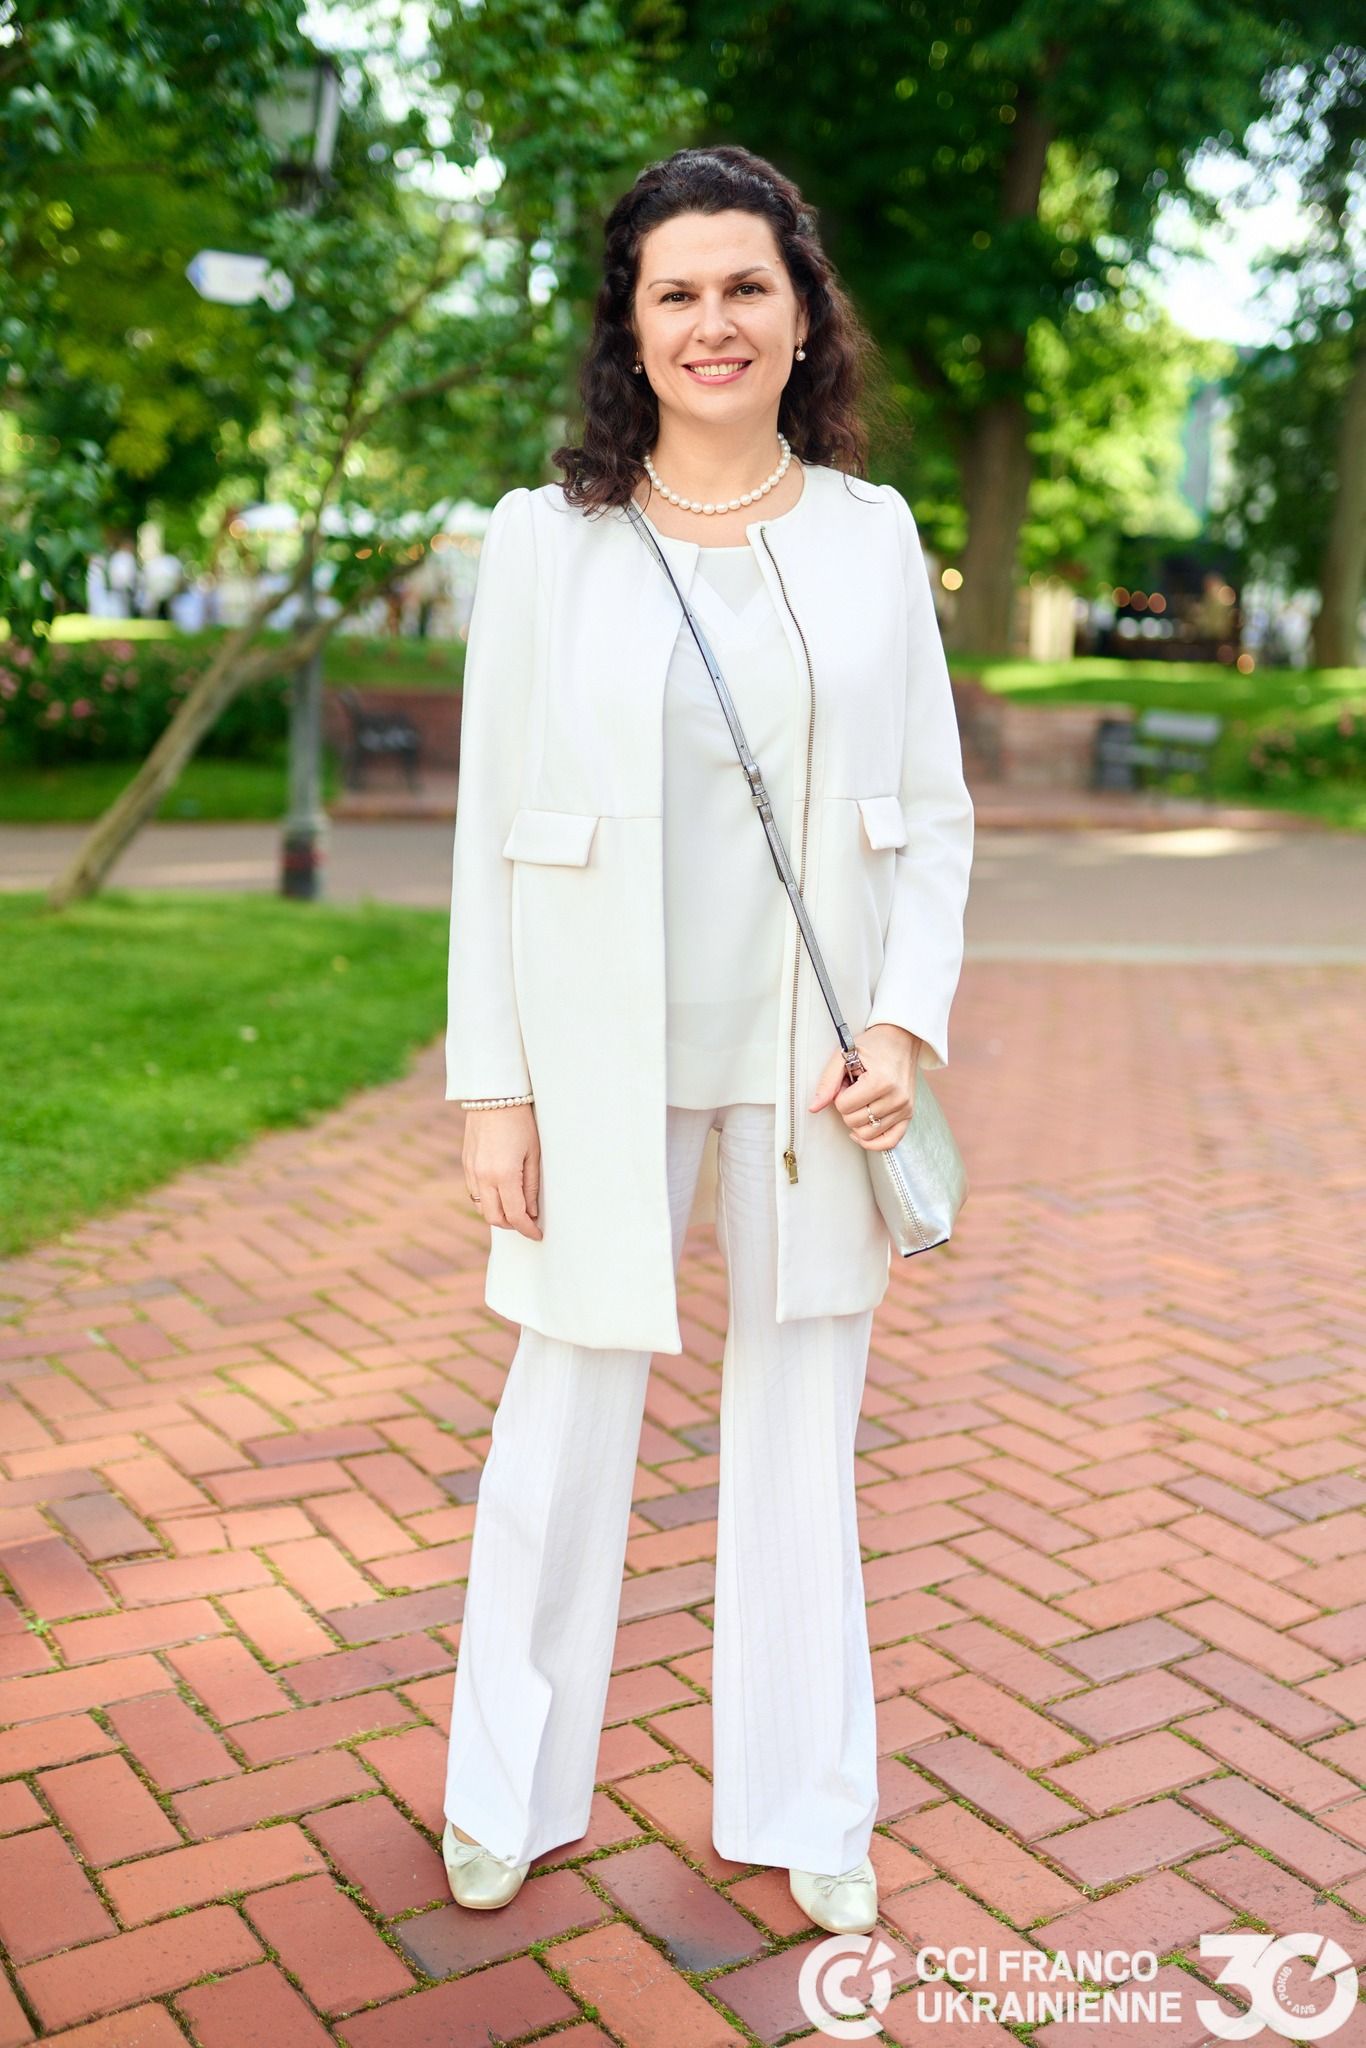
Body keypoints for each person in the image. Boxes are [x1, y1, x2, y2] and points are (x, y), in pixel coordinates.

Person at [440, 144, 974, 1938]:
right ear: (630, 326)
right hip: (597, 1053)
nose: (712, 321)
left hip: (811, 1062)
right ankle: (503, 1791)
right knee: (559, 1424)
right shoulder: (543, 543)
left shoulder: (871, 535)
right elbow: (489, 835)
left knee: (801, 1429)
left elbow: (932, 815)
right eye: (675, 291)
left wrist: (902, 1020)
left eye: (746, 285)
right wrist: (493, 1087)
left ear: (802, 311)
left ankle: (810, 1808)